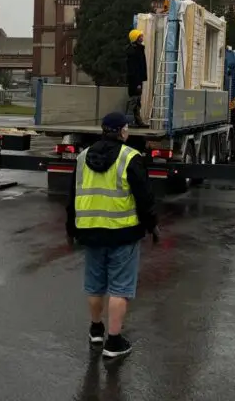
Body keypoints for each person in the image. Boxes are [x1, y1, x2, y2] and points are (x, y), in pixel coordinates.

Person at [66, 111, 158, 359]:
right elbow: (144, 198)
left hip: (90, 232)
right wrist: (152, 225)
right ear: (123, 131)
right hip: (123, 233)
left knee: (95, 285)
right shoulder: (130, 157)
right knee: (120, 288)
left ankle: (96, 330)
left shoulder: (83, 157)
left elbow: (72, 196)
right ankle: (114, 342)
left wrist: (70, 229)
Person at [126, 29, 148, 128]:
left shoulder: (139, 49)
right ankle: (129, 121)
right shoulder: (133, 51)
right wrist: (138, 82)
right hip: (134, 81)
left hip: (137, 80)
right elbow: (135, 69)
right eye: (140, 36)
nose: (142, 37)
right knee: (133, 101)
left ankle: (138, 121)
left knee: (137, 102)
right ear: (136, 38)